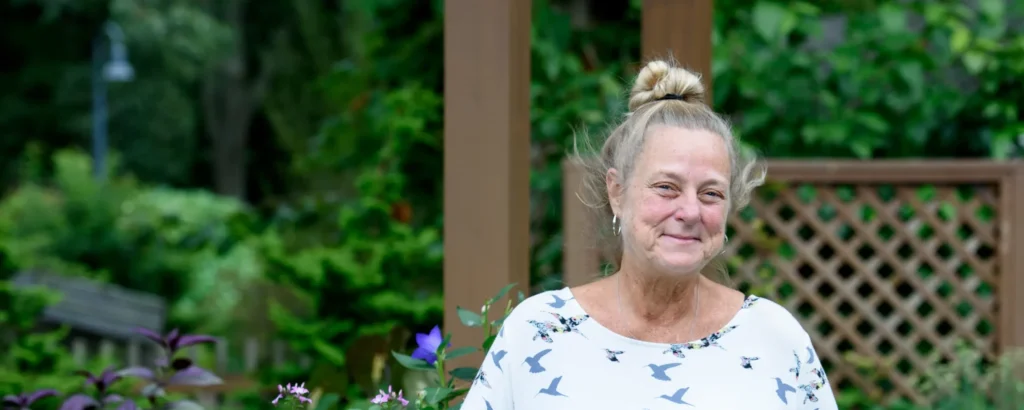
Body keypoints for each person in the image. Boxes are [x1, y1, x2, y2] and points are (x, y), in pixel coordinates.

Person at [462, 59, 839, 409]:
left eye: (711, 193)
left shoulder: (774, 338)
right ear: (617, 192)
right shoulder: (537, 332)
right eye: (666, 187)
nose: (690, 211)